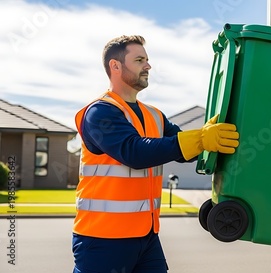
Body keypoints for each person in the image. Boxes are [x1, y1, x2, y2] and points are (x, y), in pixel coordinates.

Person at [72, 35, 239, 273]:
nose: (148, 66)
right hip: (102, 238)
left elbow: (184, 151)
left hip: (147, 237)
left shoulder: (154, 115)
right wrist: (200, 138)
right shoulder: (99, 113)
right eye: (139, 60)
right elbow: (135, 152)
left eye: (147, 60)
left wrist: (207, 137)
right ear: (115, 66)